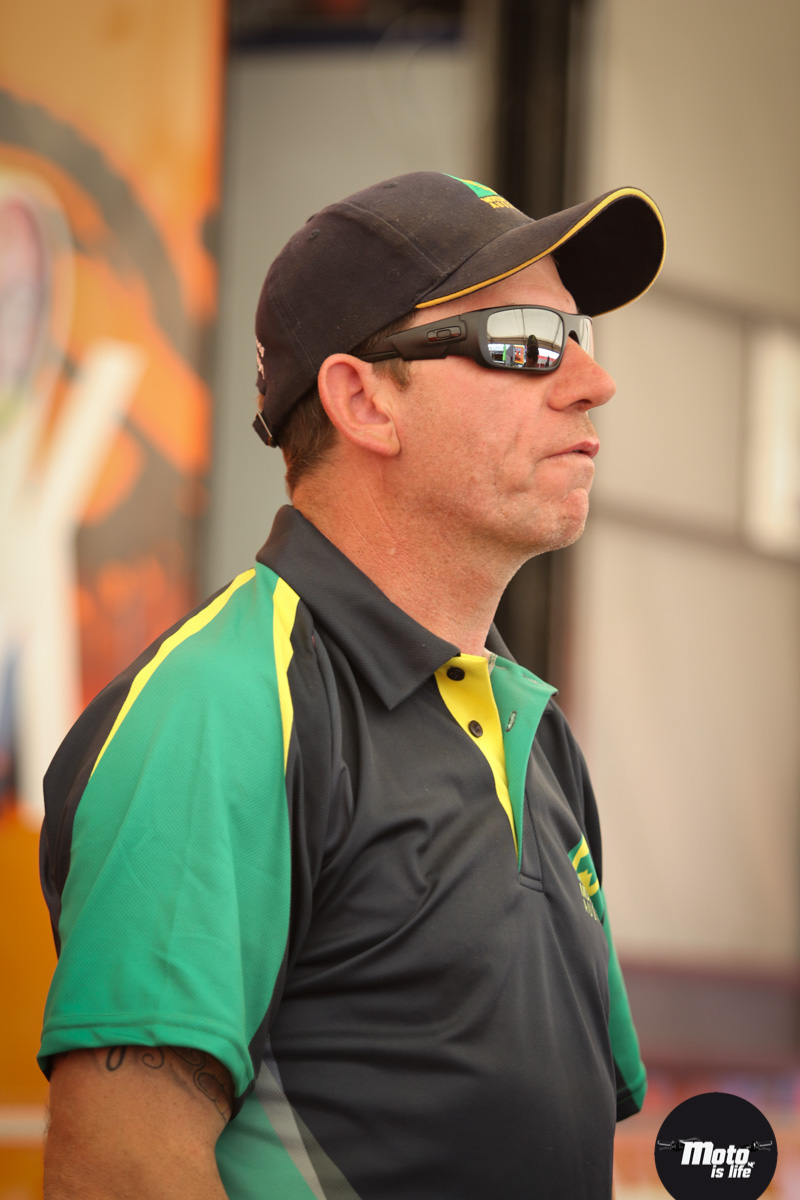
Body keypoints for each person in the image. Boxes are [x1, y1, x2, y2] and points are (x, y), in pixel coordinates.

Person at [39, 171, 665, 1200]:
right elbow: (120, 1173)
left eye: (580, 336)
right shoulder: (223, 704)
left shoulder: (535, 731)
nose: (591, 382)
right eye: (526, 342)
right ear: (364, 400)